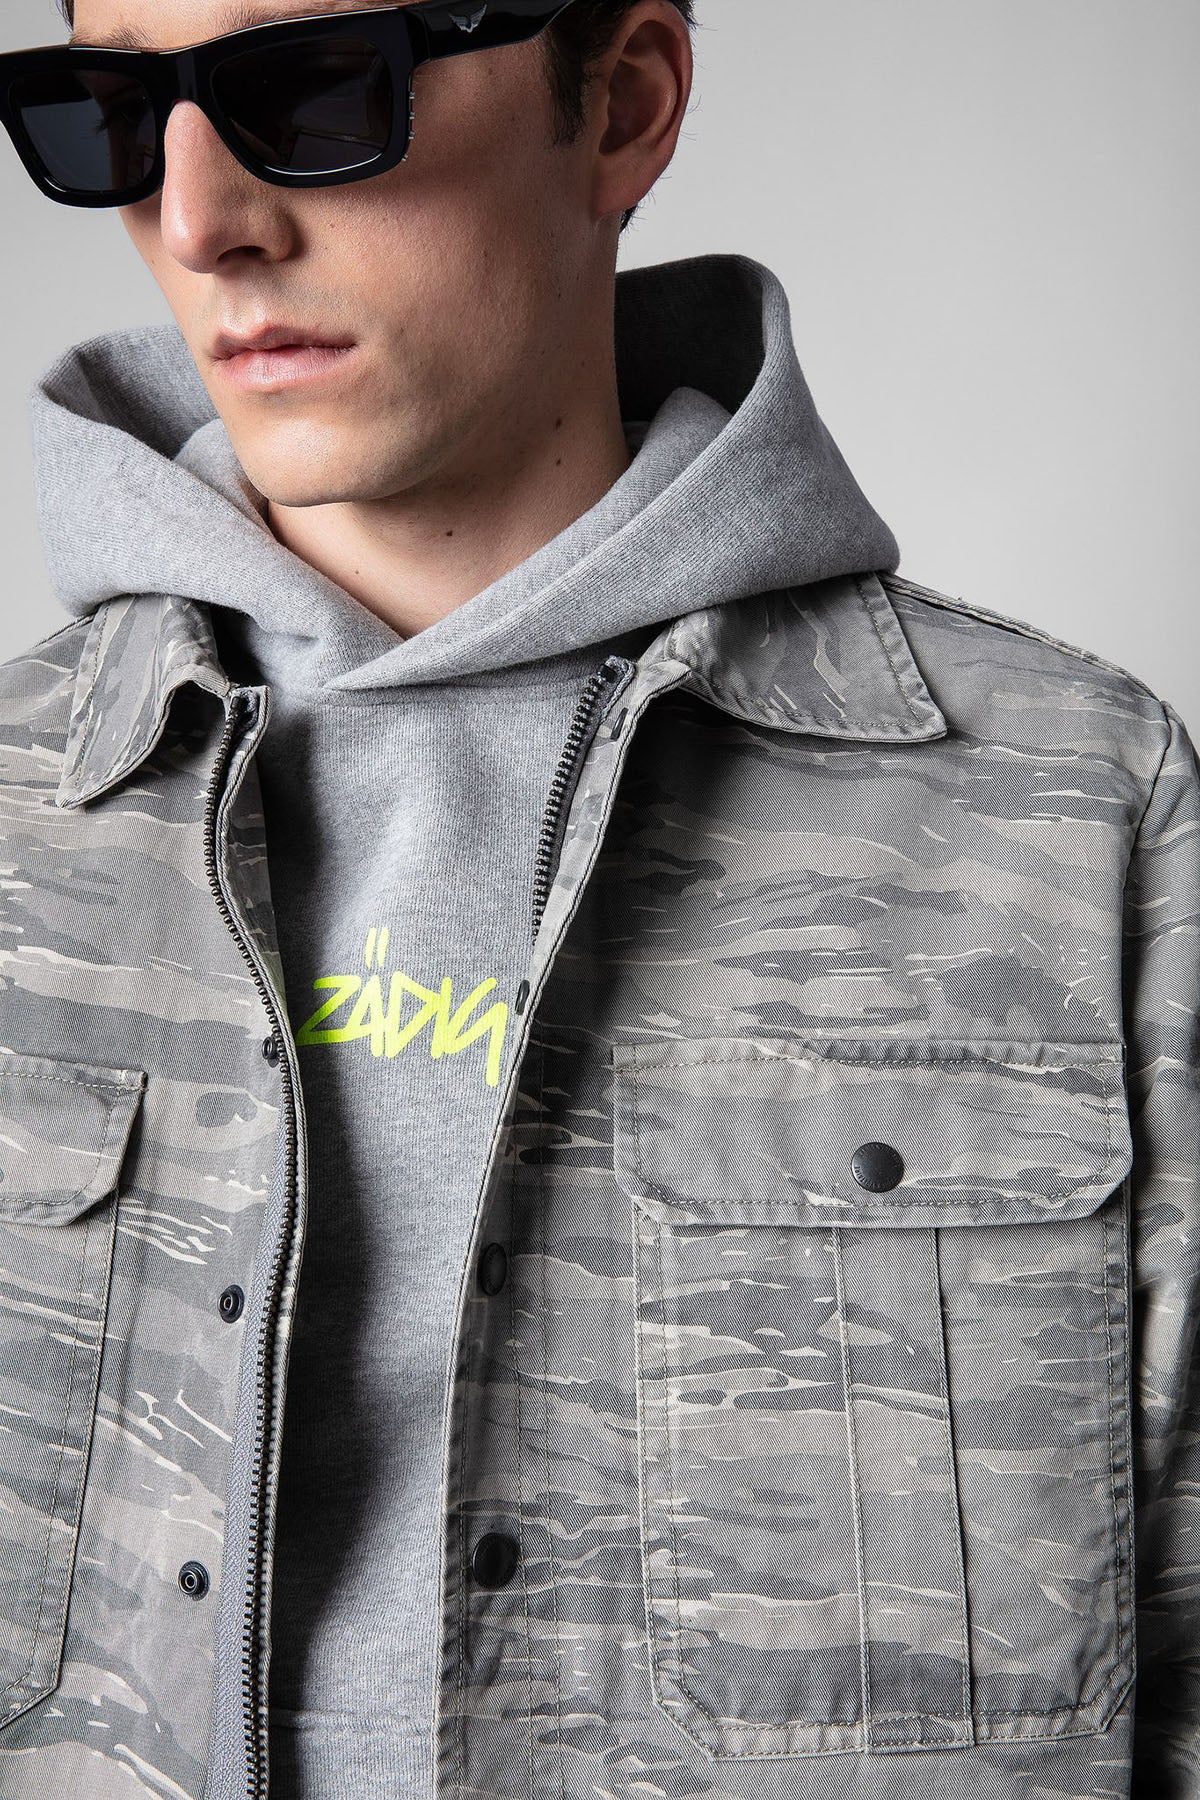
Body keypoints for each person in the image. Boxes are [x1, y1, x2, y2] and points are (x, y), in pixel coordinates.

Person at [0, 2, 1195, 1797]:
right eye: (105, 112)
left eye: (309, 89)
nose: (197, 220)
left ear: (622, 104)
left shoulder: (1077, 818)